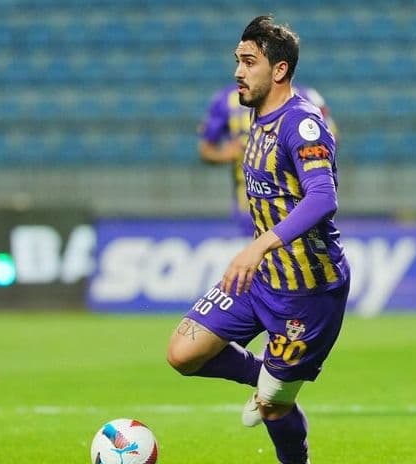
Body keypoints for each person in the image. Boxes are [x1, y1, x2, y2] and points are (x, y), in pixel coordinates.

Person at [167, 15, 349, 464]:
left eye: (249, 62)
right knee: (182, 353)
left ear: (280, 69)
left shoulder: (301, 123)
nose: (238, 71)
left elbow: (323, 197)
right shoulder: (256, 116)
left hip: (308, 292)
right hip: (262, 279)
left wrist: (259, 244)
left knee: (272, 409)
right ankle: (265, 377)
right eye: (237, 60)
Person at [199, 82, 336, 236]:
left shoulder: (307, 96)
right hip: (250, 208)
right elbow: (205, 150)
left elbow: (332, 137)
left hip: (297, 206)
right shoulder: (226, 99)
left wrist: (301, 148)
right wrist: (224, 154)